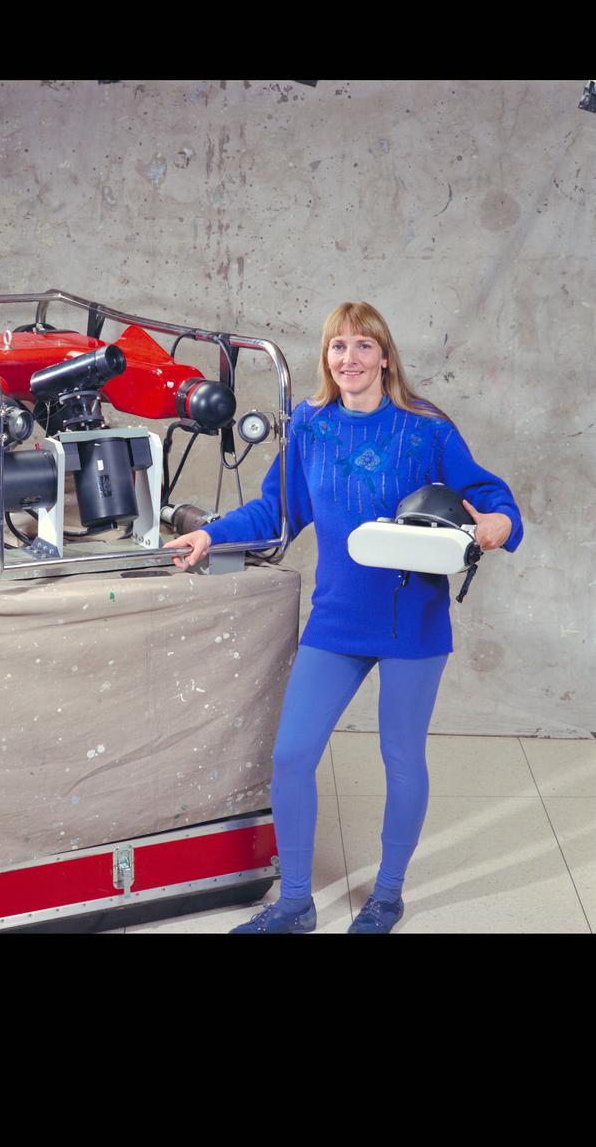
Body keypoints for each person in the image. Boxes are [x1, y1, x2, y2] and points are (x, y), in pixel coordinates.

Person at [166, 301, 524, 934]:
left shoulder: (426, 428)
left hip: (412, 620)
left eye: (363, 346)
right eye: (338, 347)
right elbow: (277, 511)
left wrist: (498, 522)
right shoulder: (310, 424)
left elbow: (490, 496)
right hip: (337, 620)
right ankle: (295, 903)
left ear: (385, 356)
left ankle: (387, 896)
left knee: (402, 759)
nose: (350, 359)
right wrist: (212, 536)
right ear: (325, 358)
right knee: (292, 755)